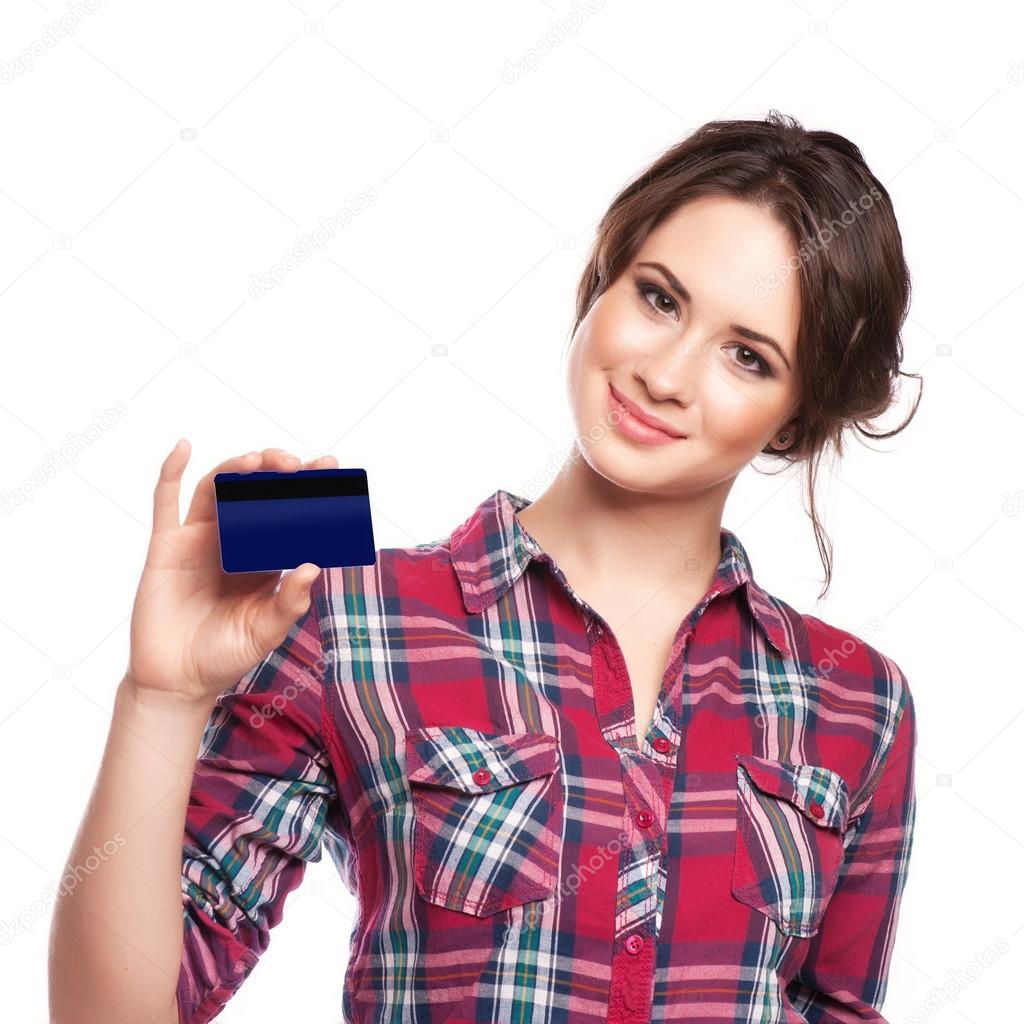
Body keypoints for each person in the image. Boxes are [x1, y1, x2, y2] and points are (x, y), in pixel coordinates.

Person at [48, 110, 922, 1024]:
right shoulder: (351, 616)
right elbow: (116, 1014)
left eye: (746, 357)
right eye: (658, 298)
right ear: (600, 284)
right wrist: (162, 698)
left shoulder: (858, 703)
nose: (665, 374)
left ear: (792, 417)